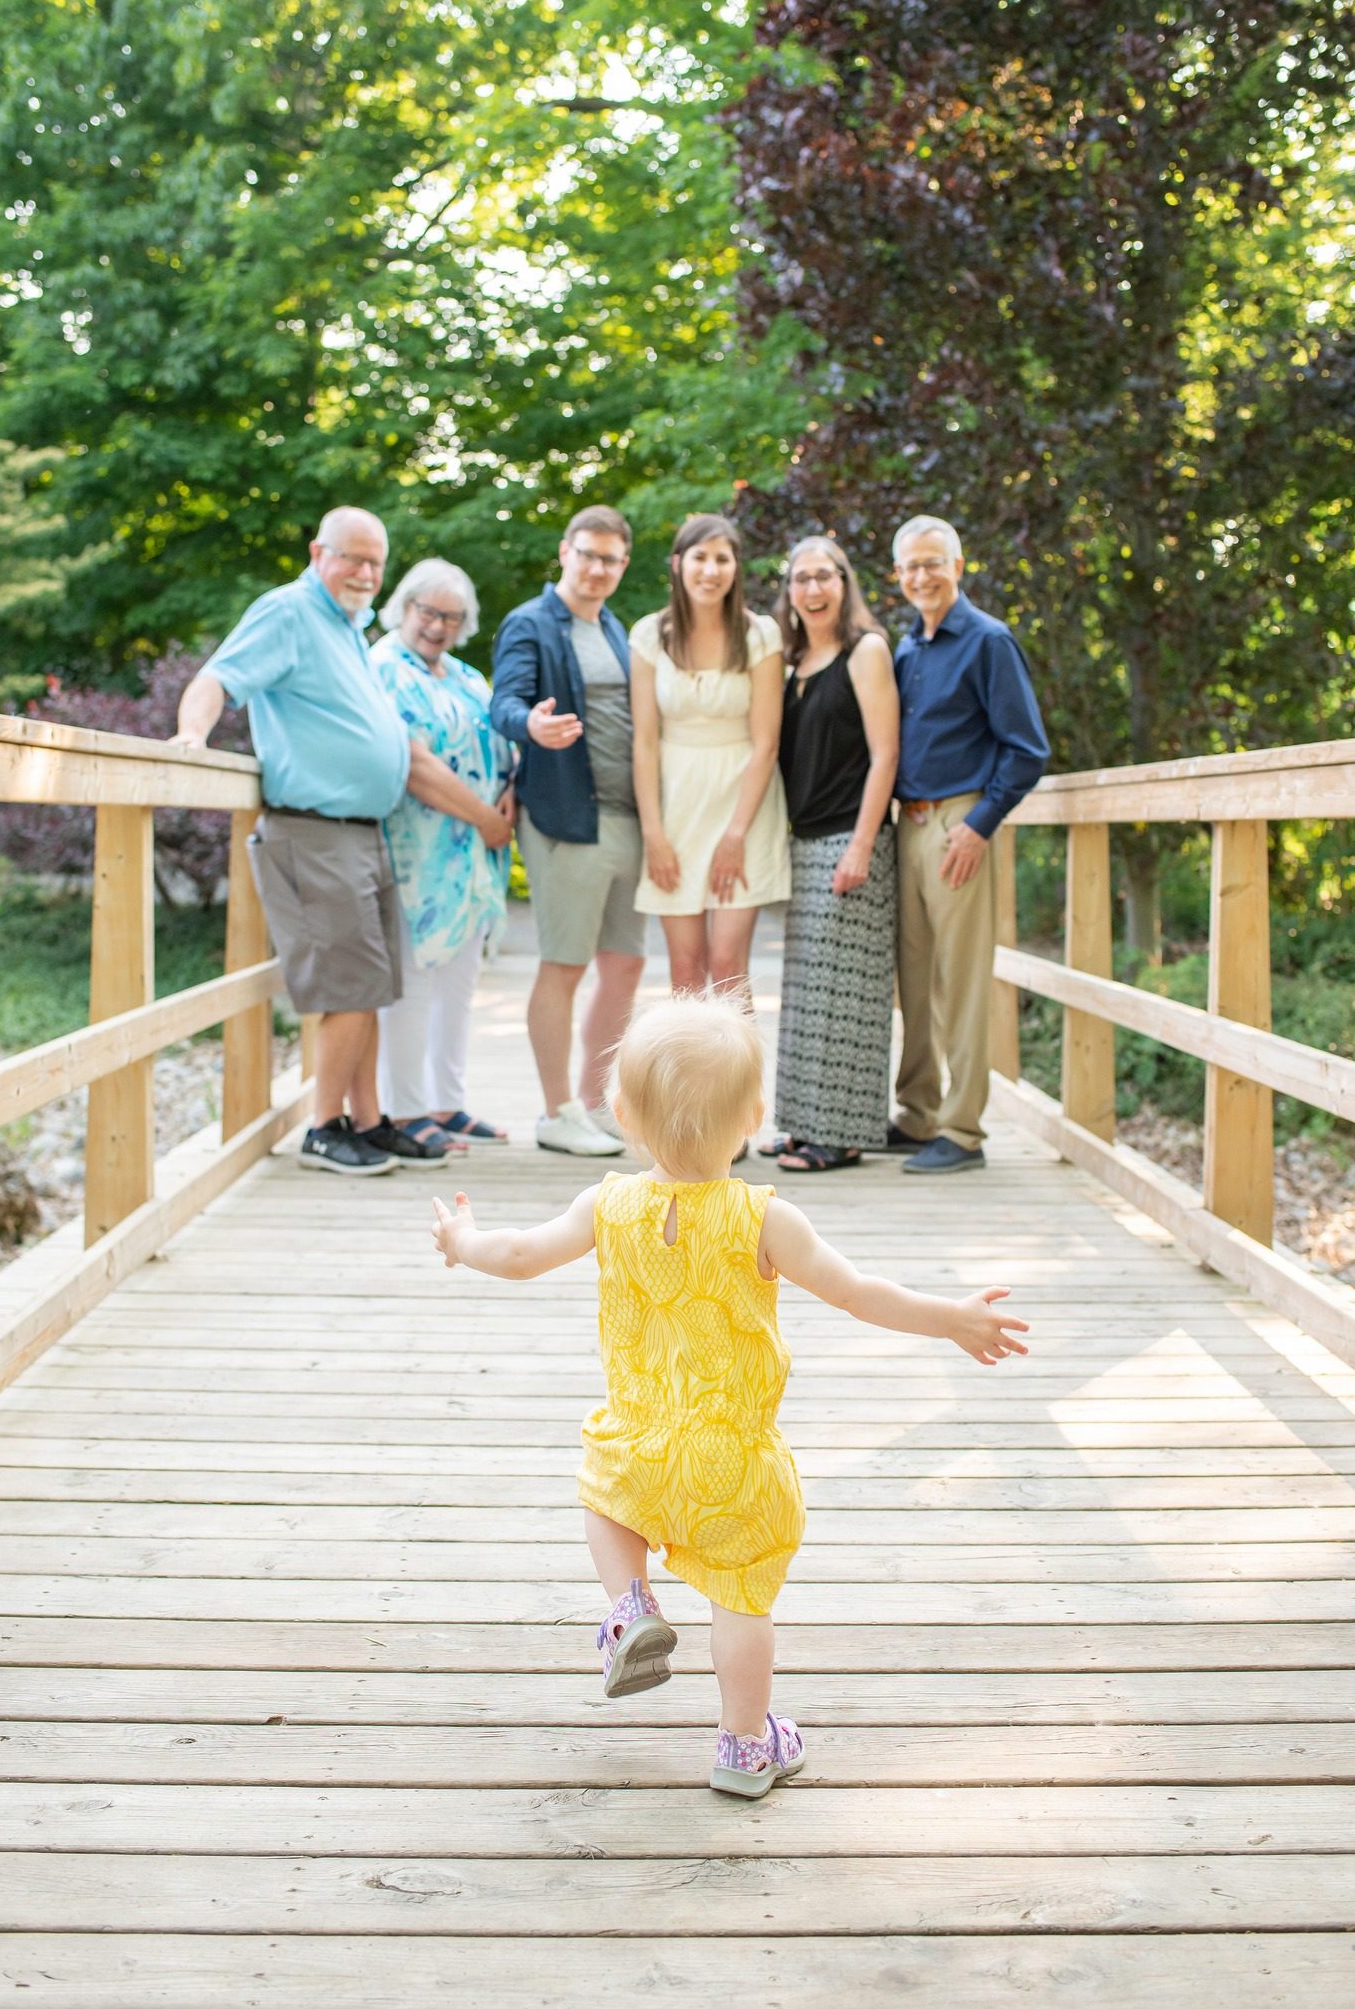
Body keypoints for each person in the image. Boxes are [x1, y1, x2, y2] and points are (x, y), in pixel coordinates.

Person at [430, 992, 1031, 1796]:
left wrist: (461, 1239)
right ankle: (744, 1747)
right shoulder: (762, 1218)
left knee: (601, 1498)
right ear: (752, 1116)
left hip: (638, 1447)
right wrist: (950, 1319)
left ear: (619, 1113)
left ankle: (628, 1606)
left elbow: (516, 1255)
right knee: (740, 1599)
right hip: (734, 1464)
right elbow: (857, 1293)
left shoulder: (606, 1205)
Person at [173, 506, 442, 1178]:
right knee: (347, 987)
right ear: (317, 550)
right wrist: (190, 738)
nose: (365, 573)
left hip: (359, 830)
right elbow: (217, 678)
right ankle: (324, 1129)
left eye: (375, 562)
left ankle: (369, 1122)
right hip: (314, 831)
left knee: (370, 986)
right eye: (352, 557)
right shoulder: (289, 611)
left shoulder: (347, 625)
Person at [889, 515, 1050, 1174]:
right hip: (909, 823)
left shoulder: (988, 642)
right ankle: (917, 1111)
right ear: (897, 576)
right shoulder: (906, 649)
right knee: (915, 978)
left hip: (959, 825)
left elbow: (1026, 750)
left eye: (933, 562)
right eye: (910, 566)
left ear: (958, 567)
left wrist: (979, 825)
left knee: (960, 980)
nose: (922, 576)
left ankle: (960, 1130)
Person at [490, 506, 643, 1158]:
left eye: (610, 558)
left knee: (627, 965)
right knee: (564, 966)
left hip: (626, 819)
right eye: (587, 554)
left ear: (623, 564)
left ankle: (593, 1102)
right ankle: (556, 1112)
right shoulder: (529, 623)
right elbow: (503, 703)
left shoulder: (616, 627)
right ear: (564, 552)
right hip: (564, 821)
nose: (597, 568)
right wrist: (534, 727)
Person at [371, 559, 515, 1157]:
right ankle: (404, 1111)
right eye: (427, 612)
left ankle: (445, 1101)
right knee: (413, 983)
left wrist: (508, 795)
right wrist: (485, 818)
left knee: (459, 983)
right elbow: (413, 762)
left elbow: (502, 750)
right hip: (417, 851)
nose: (438, 625)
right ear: (404, 607)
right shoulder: (381, 669)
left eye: (451, 617)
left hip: (472, 861)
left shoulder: (466, 677)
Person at [767, 536, 899, 1172]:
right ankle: (801, 1125)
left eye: (824, 577)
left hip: (851, 839)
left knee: (848, 995)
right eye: (800, 579)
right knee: (809, 992)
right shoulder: (790, 660)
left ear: (845, 583)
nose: (812, 590)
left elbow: (885, 754)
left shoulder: (865, 651)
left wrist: (863, 845)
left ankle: (842, 1135)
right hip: (805, 839)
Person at [630, 514, 791, 997]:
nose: (711, 569)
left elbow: (767, 742)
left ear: (736, 568)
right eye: (700, 557)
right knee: (685, 969)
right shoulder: (648, 635)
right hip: (674, 806)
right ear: (678, 564)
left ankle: (740, 1077)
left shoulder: (760, 634)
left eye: (722, 558)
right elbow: (643, 741)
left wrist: (735, 834)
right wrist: (653, 833)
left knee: (726, 965)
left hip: (744, 803)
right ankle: (688, 1077)